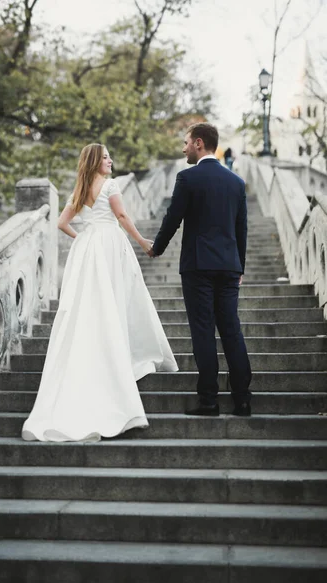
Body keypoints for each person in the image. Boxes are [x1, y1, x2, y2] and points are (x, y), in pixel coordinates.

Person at [22, 143, 178, 442]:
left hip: (89, 249)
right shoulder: (111, 185)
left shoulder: (79, 191)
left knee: (92, 306)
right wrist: (143, 241)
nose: (111, 160)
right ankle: (119, 362)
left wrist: (83, 237)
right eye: (106, 157)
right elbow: (121, 217)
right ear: (95, 161)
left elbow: (61, 223)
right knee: (116, 301)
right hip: (110, 245)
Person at [148, 123, 252, 417]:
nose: (183, 149)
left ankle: (209, 400)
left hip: (198, 266)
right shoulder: (236, 183)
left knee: (203, 331)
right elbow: (241, 229)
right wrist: (239, 265)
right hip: (230, 266)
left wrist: (157, 247)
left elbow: (173, 218)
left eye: (185, 143)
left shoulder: (188, 178)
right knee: (231, 330)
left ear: (198, 143)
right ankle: (242, 399)